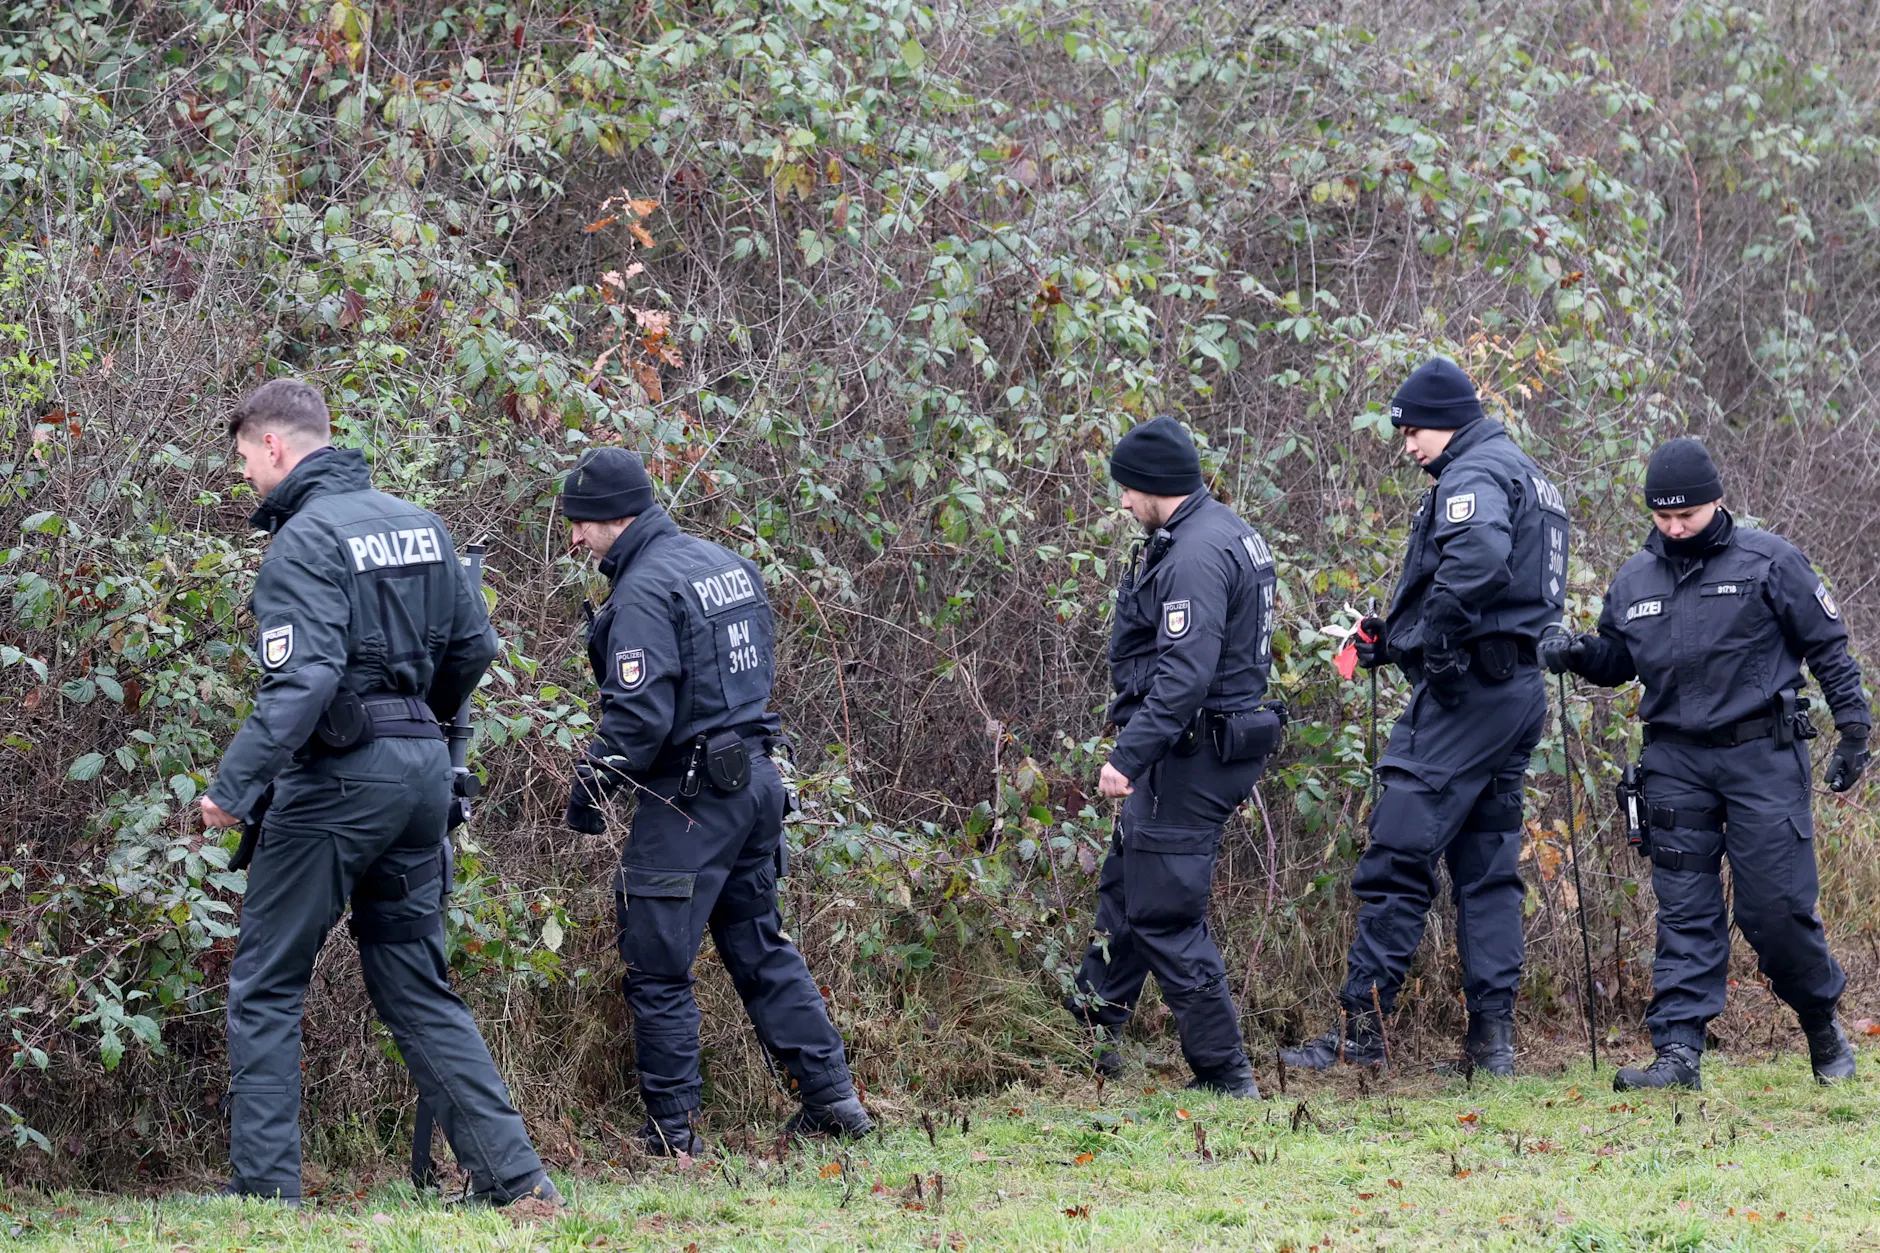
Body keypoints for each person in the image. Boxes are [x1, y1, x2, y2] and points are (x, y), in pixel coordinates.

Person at [199, 379, 555, 1205]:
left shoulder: (304, 540)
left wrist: (233, 787)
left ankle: (263, 1190)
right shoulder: (421, 524)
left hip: (336, 785)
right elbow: (474, 646)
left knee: (268, 977)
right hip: (423, 774)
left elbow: (305, 680)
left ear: (276, 446)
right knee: (411, 981)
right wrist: (417, 729)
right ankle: (516, 1178)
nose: (248, 475)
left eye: (247, 457)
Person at [560, 446, 871, 1154]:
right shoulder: (727, 565)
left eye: (580, 523)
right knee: (759, 942)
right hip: (756, 780)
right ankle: (833, 1099)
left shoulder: (642, 590)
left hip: (688, 799)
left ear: (615, 515)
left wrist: (591, 783)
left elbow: (638, 718)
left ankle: (671, 1133)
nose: (574, 538)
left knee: (657, 961)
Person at [1542, 438, 1867, 1091]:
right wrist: (1577, 652)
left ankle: (1820, 1022)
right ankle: (1678, 1053)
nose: (1674, 526)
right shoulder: (1634, 577)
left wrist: (1855, 728)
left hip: (1761, 755)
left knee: (1774, 910)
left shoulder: (1770, 561)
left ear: (1715, 500)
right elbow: (1617, 659)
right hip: (1674, 759)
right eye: (1663, 517)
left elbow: (1827, 645)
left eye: (1685, 514)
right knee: (1684, 908)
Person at [1281, 359, 1569, 1077]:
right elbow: (1499, 590)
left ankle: (1360, 1034)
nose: (1408, 445)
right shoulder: (1524, 472)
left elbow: (1476, 560)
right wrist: (1396, 637)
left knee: (1398, 851)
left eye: (1413, 430)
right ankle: (1490, 1045)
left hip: (1466, 697)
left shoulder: (1473, 473)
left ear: (1449, 418)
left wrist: (1437, 639)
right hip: (1515, 689)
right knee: (1487, 866)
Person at [1065, 415, 1284, 1098]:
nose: (1123, 502)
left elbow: (1185, 678)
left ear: (1155, 485)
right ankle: (1090, 1034)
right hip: (1199, 745)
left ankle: (1225, 1072)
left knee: (1163, 911)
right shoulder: (1220, 530)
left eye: (1127, 489)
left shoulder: (1193, 553)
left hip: (1189, 752)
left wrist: (1127, 755)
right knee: (1127, 887)